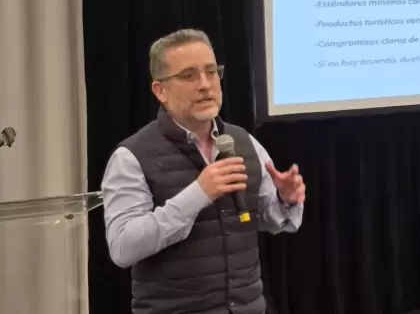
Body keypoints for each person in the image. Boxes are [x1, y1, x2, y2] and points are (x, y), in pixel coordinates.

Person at [101, 28, 305, 314]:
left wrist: (285, 200)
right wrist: (198, 193)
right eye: (189, 76)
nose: (205, 85)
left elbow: (267, 220)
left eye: (211, 72)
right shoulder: (130, 157)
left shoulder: (244, 142)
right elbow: (123, 248)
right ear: (160, 91)